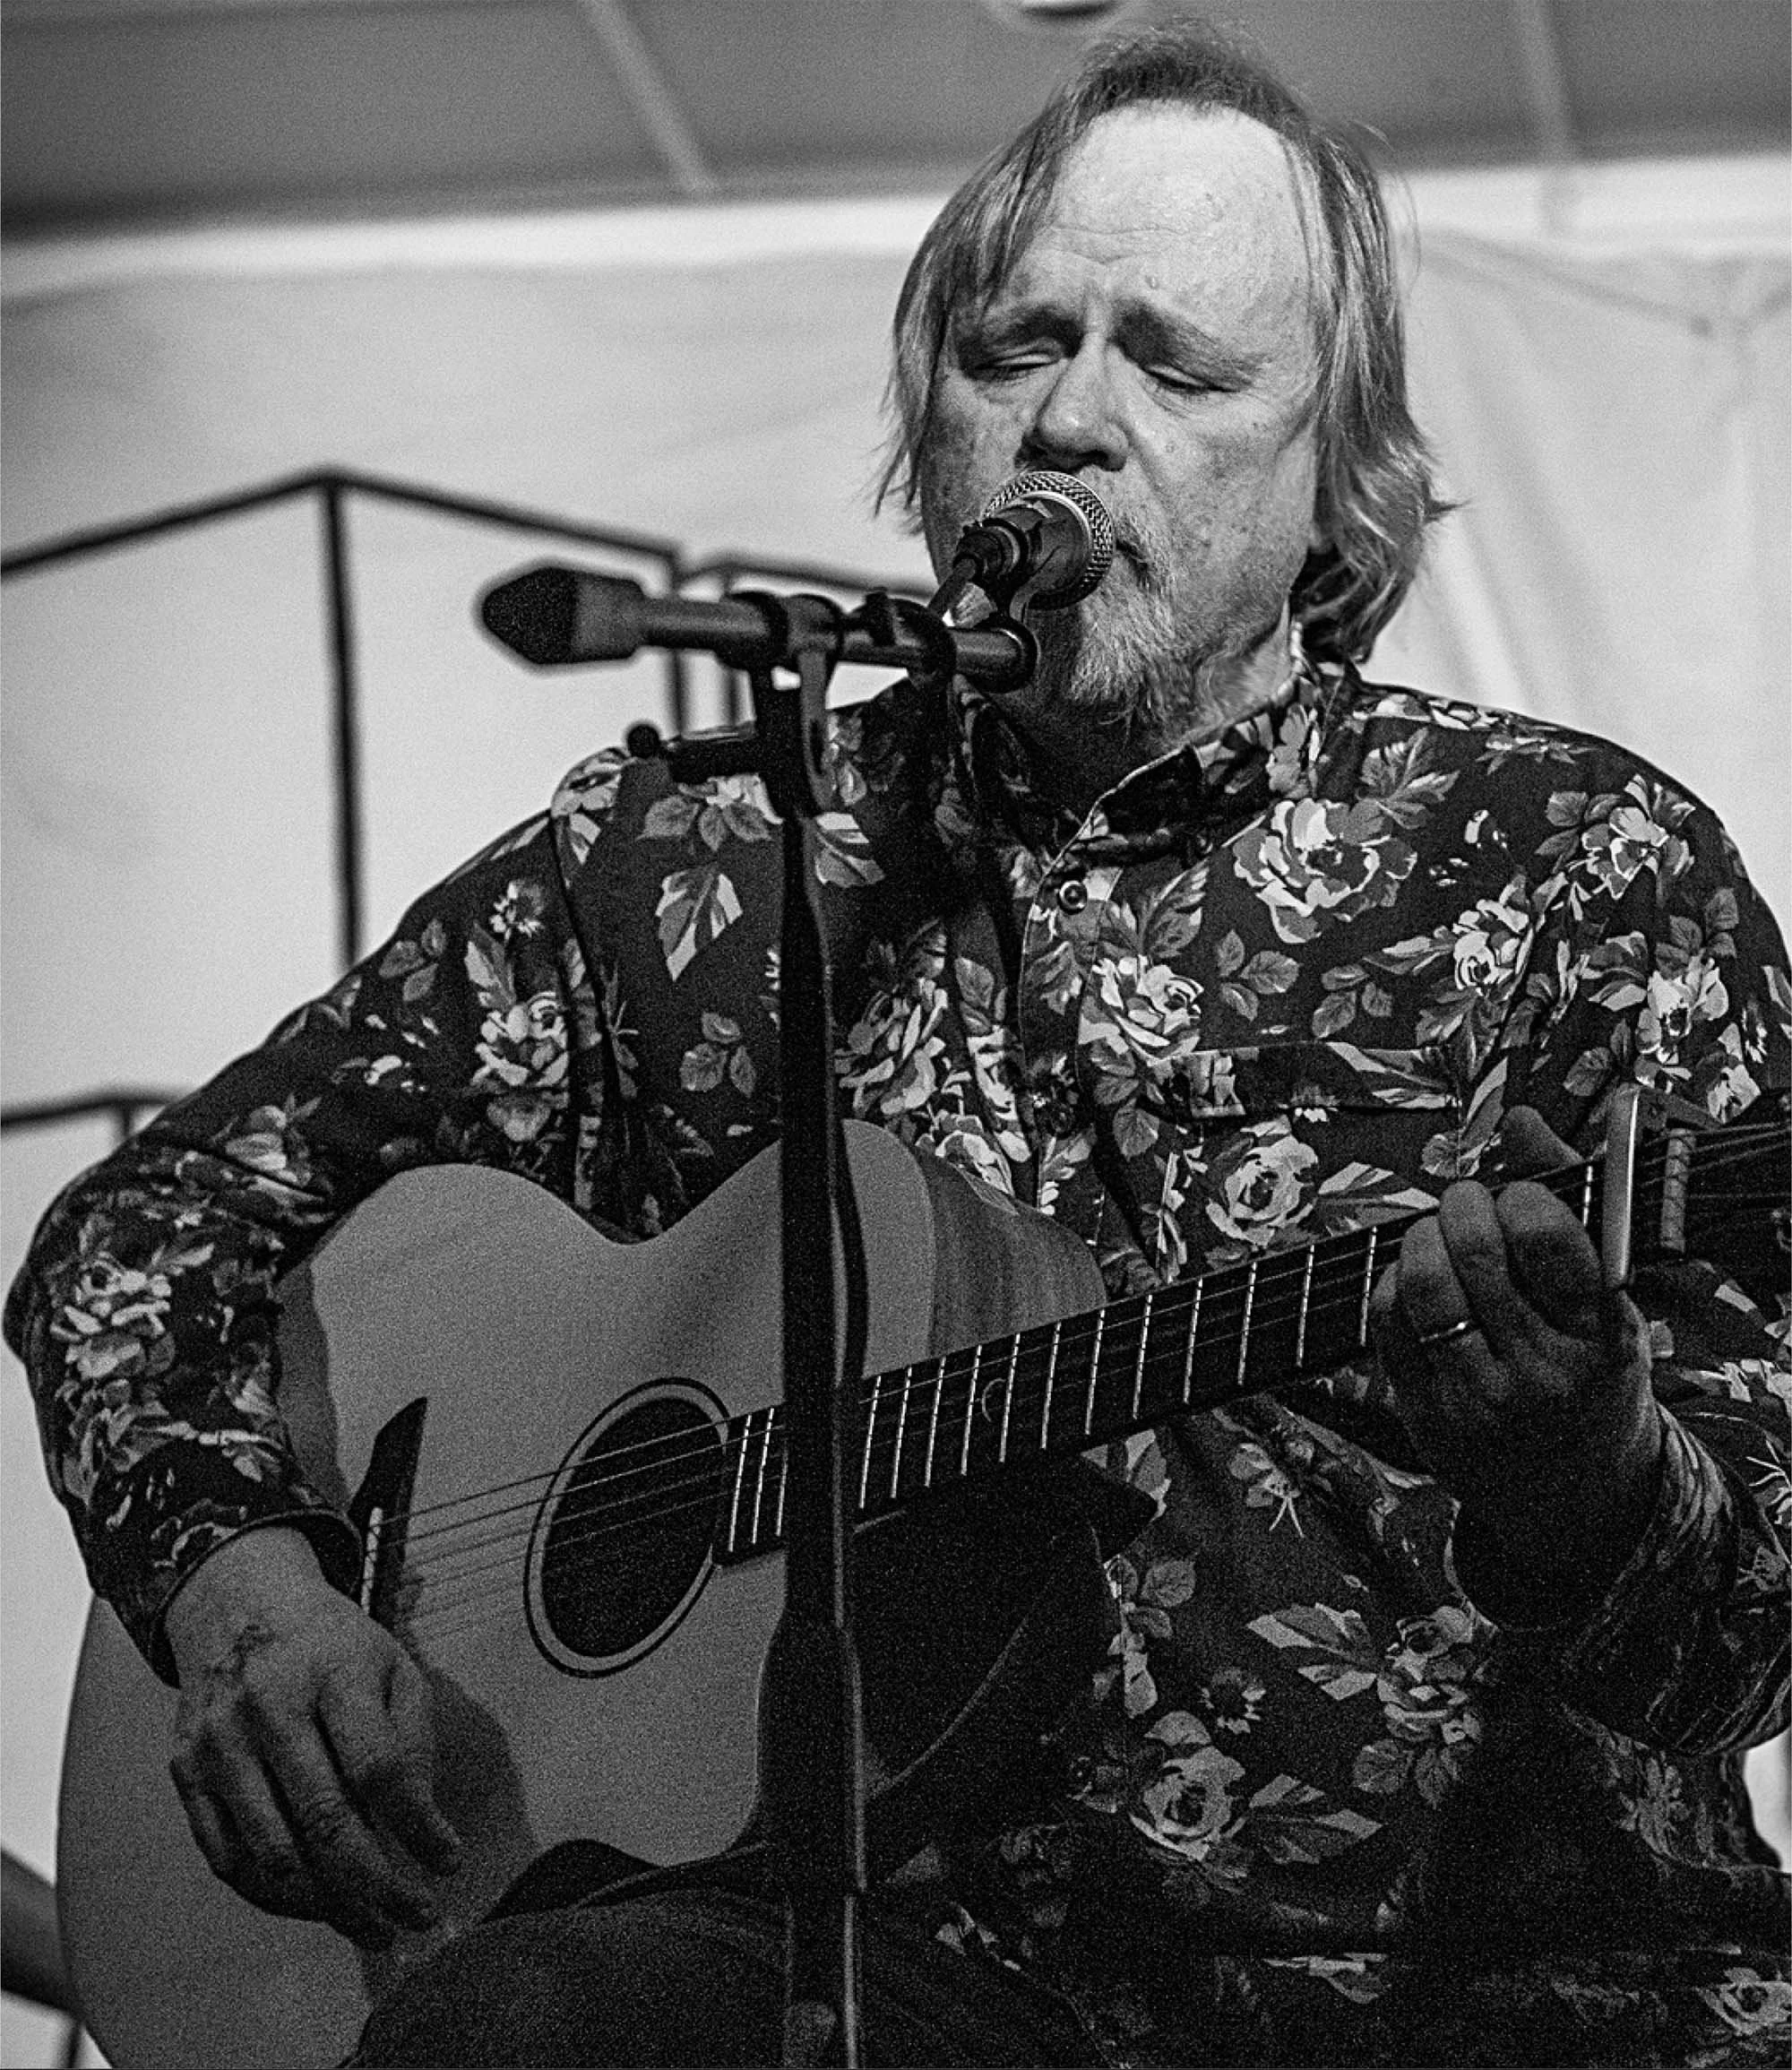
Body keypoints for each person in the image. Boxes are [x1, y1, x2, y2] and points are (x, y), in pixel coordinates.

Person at [9, 19, 1789, 2068]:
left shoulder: (1574, 863)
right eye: (1012, 347)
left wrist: (1583, 1469)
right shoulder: (688, 866)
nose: (1072, 421)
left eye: (1182, 369)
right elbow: (142, 1237)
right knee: (532, 2027)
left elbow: (1745, 1639)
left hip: (1490, 1988)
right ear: (925, 423)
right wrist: (243, 1591)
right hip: (907, 1980)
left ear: (1337, 488)